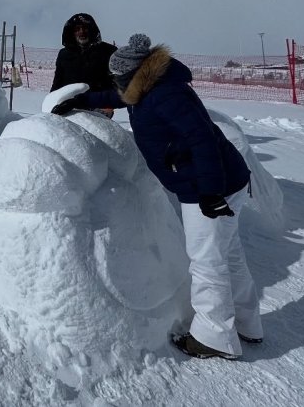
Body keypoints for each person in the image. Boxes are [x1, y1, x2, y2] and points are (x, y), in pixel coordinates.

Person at [53, 33, 262, 360]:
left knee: (207, 261)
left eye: (119, 78)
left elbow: (203, 141)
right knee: (228, 253)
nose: (117, 83)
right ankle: (248, 324)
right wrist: (84, 101)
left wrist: (209, 192)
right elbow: (123, 97)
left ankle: (215, 337)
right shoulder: (150, 88)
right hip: (223, 181)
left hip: (206, 186)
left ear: (135, 75)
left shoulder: (166, 95)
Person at [51, 12, 117, 118]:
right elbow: (57, 82)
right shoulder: (64, 54)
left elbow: (117, 82)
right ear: (71, 32)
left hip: (98, 107)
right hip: (69, 108)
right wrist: (51, 102)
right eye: (77, 29)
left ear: (92, 30)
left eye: (85, 28)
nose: (82, 32)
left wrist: (108, 107)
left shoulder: (108, 51)